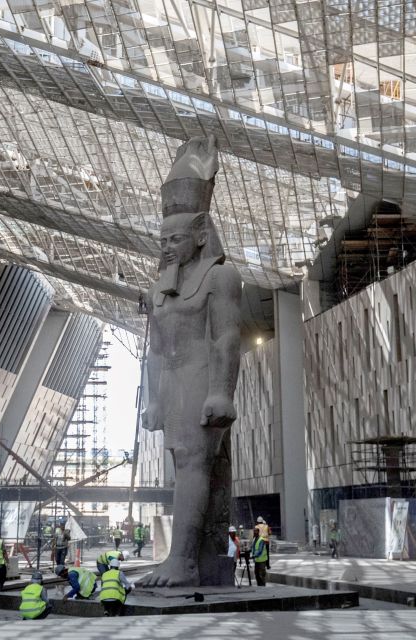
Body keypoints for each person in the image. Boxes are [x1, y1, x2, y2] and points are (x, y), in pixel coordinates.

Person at [140, 136, 243, 588]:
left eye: (176, 239)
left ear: (201, 235)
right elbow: (157, 350)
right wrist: (154, 400)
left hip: (202, 379)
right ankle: (190, 557)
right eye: (162, 239)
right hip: (174, 382)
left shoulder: (220, 276)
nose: (166, 247)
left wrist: (222, 391)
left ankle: (182, 561)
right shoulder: (162, 290)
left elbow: (226, 338)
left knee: (193, 467)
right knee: (186, 465)